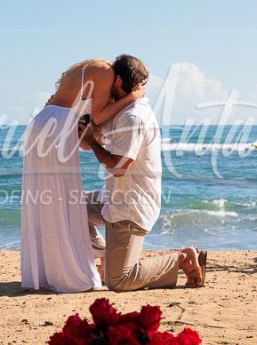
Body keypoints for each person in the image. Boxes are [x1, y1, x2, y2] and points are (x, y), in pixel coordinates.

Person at [79, 54, 207, 291]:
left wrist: (93, 142)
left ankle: (181, 259)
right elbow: (86, 141)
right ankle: (109, 256)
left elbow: (118, 167)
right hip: (115, 201)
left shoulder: (132, 116)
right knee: (68, 205)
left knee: (119, 281)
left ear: (116, 81)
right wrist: (89, 134)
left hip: (130, 210)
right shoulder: (122, 111)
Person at [20, 59, 143, 293]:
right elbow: (97, 117)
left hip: (45, 122)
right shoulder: (106, 72)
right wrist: (132, 98)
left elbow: (88, 129)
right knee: (63, 198)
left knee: (50, 200)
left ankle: (50, 271)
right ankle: (70, 272)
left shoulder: (90, 71)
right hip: (56, 127)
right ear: (120, 79)